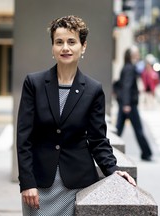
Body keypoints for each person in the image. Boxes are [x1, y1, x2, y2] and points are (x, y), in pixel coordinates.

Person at [16, 15, 136, 216]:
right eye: (59, 42)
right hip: (38, 186)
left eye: (72, 42)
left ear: (83, 46)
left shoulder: (93, 89)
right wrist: (27, 182)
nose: (65, 48)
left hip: (77, 186)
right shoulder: (34, 84)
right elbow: (24, 138)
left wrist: (114, 170)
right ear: (52, 48)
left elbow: (98, 140)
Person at [115, 46, 153, 162]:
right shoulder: (129, 68)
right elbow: (126, 86)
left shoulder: (128, 67)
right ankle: (146, 153)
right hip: (129, 104)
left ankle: (109, 149)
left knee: (118, 129)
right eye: (136, 52)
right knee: (138, 129)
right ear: (131, 55)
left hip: (126, 103)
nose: (138, 54)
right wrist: (126, 104)